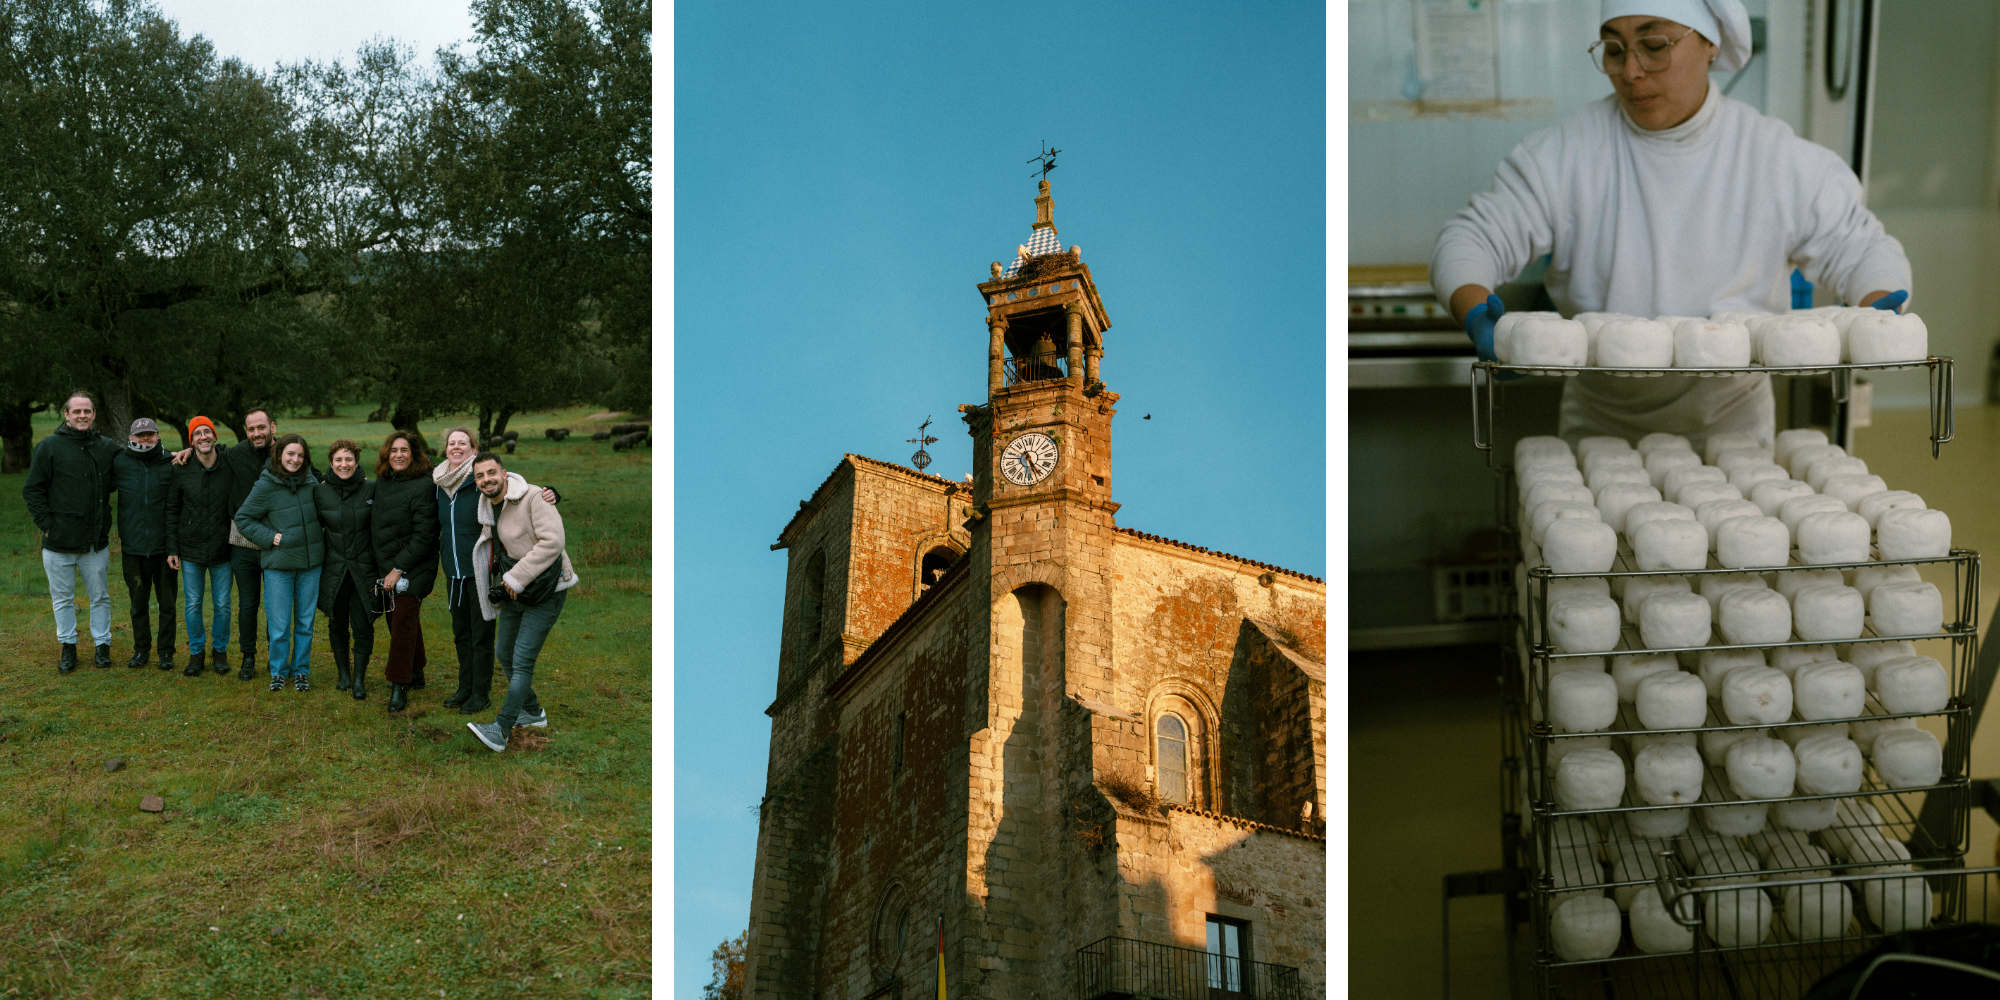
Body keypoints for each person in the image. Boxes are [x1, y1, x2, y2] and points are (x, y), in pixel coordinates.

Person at [1433, 0, 1913, 450]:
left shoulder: (1774, 158)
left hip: (1734, 431)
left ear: (1710, 45)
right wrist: (1478, 317)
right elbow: (1471, 238)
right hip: (1602, 431)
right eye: (1614, 50)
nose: (1631, 71)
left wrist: (1877, 316)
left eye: (1654, 45)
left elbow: (1864, 250)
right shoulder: (1567, 155)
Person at [170, 407, 323, 680]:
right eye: (251, 429)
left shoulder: (288, 453)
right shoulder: (236, 454)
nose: (256, 433)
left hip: (279, 544)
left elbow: (316, 476)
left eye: (261, 427)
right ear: (246, 431)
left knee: (278, 607)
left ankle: (276, 659)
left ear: (272, 427)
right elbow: (211, 452)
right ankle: (248, 657)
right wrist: (190, 451)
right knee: (248, 604)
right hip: (244, 543)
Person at [433, 425, 561, 715]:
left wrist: (550, 493)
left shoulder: (481, 480)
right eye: (452, 443)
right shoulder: (439, 484)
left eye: (463, 443)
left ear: (473, 448)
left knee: (481, 635)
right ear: (446, 449)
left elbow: (516, 489)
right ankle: (465, 687)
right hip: (453, 570)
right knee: (460, 633)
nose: (456, 447)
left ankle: (481, 693)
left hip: (481, 570)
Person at [465, 451, 576, 753]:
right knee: (505, 653)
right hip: (514, 589)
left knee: (523, 659)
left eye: (491, 472)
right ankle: (533, 712)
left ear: (504, 473)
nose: (486, 479)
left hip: (545, 589)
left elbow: (553, 541)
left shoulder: (534, 497)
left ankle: (501, 729)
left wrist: (515, 578)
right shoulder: (486, 505)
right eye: (479, 476)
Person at [22, 391, 121, 672]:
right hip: (58, 543)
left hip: (94, 543)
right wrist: (47, 525)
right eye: (76, 411)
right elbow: (32, 489)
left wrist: (180, 453)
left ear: (94, 414)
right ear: (66, 414)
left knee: (100, 596)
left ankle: (102, 645)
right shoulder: (49, 447)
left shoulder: (107, 447)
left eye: (87, 411)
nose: (82, 415)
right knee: (63, 599)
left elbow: (138, 460)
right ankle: (68, 646)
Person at [233, 434, 326, 692]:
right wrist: (271, 537)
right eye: (290, 454)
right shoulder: (266, 484)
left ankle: (301, 671)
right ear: (279, 454)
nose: (295, 460)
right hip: (279, 567)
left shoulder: (311, 481)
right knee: (279, 625)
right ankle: (278, 672)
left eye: (300, 455)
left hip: (311, 565)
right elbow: (243, 519)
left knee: (305, 624)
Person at [370, 430, 440, 713]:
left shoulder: (424, 485)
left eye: (405, 450)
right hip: (387, 565)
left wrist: (398, 569)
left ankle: (399, 683)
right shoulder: (383, 482)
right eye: (393, 450)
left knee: (402, 624)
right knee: (399, 620)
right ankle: (416, 671)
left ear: (414, 455)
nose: (398, 455)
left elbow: (425, 535)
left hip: (414, 566)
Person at [165, 416, 235, 677]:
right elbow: (172, 510)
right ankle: (196, 653)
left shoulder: (229, 463)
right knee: (193, 603)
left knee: (223, 604)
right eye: (197, 434)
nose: (203, 437)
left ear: (215, 436)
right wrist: (172, 548)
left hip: (222, 547)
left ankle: (220, 651)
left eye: (207, 432)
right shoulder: (180, 468)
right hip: (191, 548)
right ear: (191, 440)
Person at [314, 439, 380, 699]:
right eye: (339, 460)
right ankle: (343, 674)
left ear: (356, 461)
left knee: (363, 624)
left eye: (349, 459)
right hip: (334, 568)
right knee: (337, 622)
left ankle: (359, 679)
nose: (344, 464)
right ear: (331, 463)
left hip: (364, 569)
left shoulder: (371, 489)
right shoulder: (320, 492)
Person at [111, 417, 178, 670]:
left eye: (150, 434)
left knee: (167, 604)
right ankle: (141, 650)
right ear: (131, 438)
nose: (146, 438)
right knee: (138, 604)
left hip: (164, 549)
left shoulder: (171, 461)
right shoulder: (120, 462)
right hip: (133, 548)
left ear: (158, 436)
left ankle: (166, 652)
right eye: (140, 435)